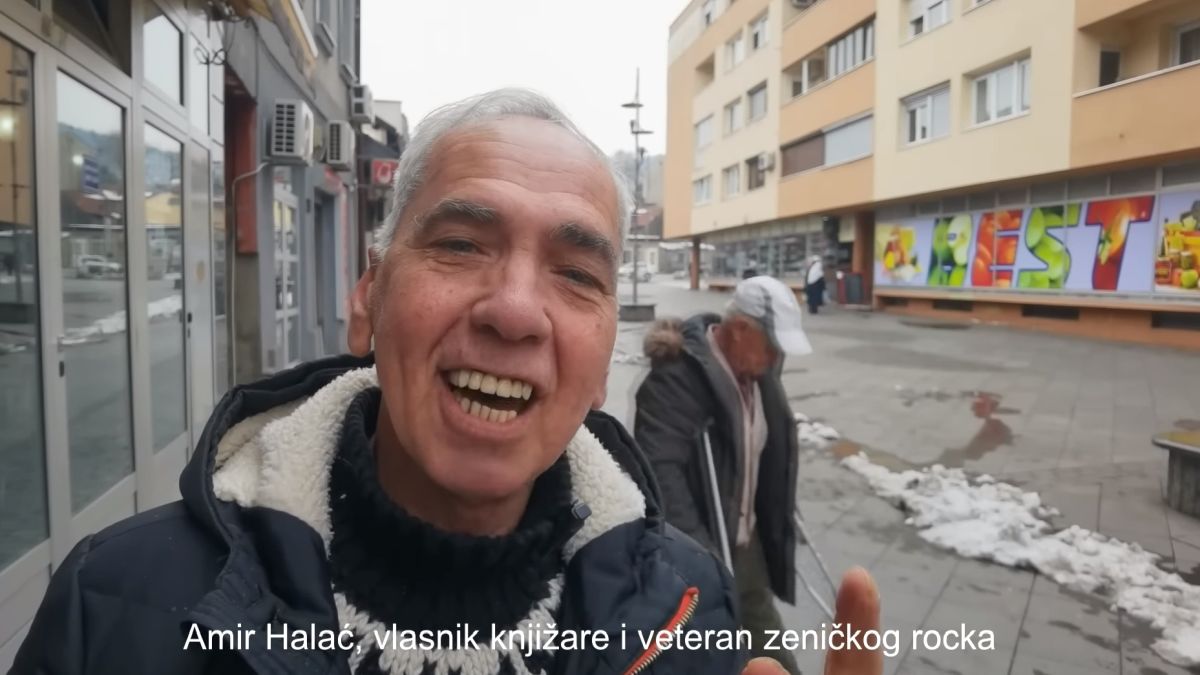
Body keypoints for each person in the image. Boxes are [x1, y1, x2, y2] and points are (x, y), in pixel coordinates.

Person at [12, 90, 881, 675]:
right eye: (461, 245)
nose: (516, 311)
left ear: (604, 348)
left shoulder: (688, 613)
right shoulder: (114, 607)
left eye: (576, 273)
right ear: (369, 296)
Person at [635, 275, 812, 674]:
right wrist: (701, 558)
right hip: (703, 552)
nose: (775, 357)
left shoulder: (759, 375)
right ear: (739, 330)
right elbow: (660, 472)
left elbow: (768, 451)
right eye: (771, 346)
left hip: (746, 550)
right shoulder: (675, 379)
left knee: (774, 658)